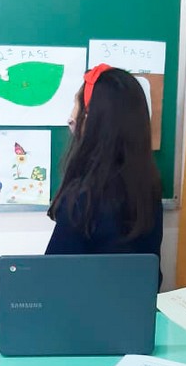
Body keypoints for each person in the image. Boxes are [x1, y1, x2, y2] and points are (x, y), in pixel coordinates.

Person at [46, 64, 163, 282]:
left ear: (95, 119)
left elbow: (52, 277)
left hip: (82, 303)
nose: (71, 118)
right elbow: (150, 277)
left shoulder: (83, 197)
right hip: (136, 302)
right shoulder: (148, 188)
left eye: (78, 105)